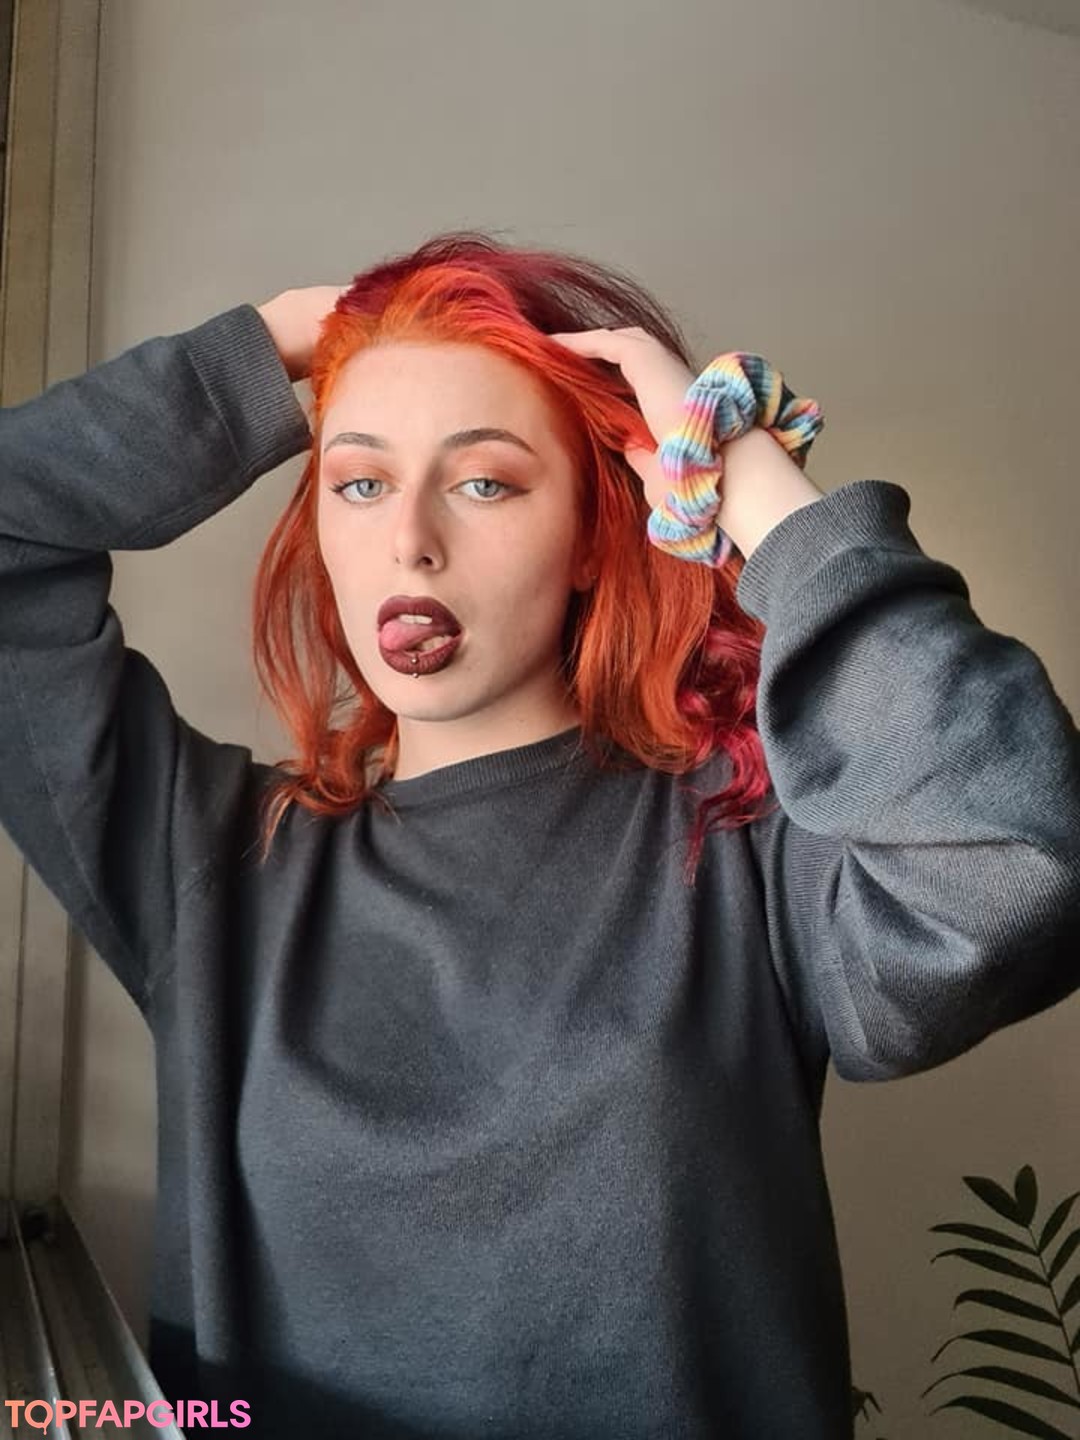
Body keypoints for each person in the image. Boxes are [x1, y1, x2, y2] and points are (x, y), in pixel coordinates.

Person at [0, 230, 1077, 1440]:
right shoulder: (207, 864)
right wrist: (276, 343)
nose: (409, 540)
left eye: (485, 483)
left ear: (592, 538)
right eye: (360, 482)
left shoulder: (751, 849)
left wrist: (741, 470)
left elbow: (1017, 859)